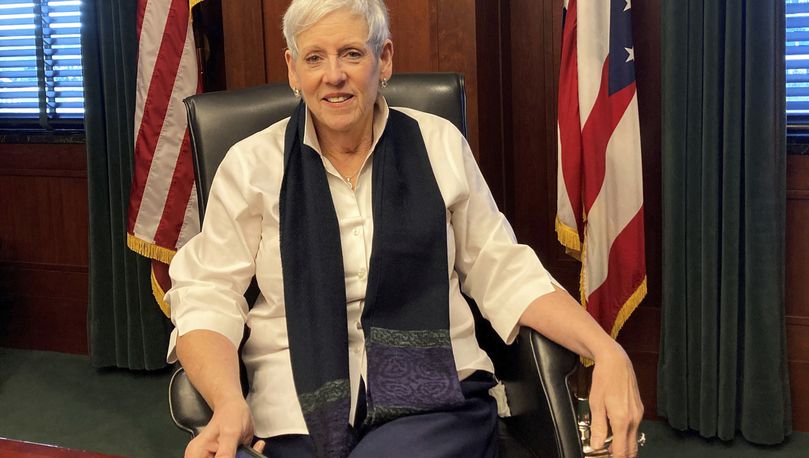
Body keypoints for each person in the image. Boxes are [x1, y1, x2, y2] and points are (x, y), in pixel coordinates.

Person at [167, 0, 644, 457]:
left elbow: (502, 268)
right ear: (294, 69)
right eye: (315, 57)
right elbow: (208, 294)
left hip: (435, 399)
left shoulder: (438, 145)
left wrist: (605, 349)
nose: (334, 75)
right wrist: (229, 402)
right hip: (294, 407)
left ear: (385, 58)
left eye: (352, 53)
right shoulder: (250, 166)